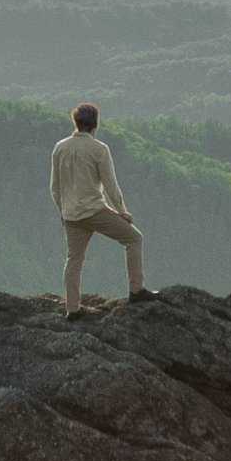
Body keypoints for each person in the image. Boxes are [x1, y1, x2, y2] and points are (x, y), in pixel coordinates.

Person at [50, 102, 148, 307]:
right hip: (94, 211)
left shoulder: (60, 147)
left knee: (73, 260)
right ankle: (136, 290)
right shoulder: (99, 149)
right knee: (134, 239)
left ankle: (72, 309)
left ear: (75, 122)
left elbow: (54, 187)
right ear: (95, 124)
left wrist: (62, 209)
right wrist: (122, 211)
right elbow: (111, 186)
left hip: (71, 215)